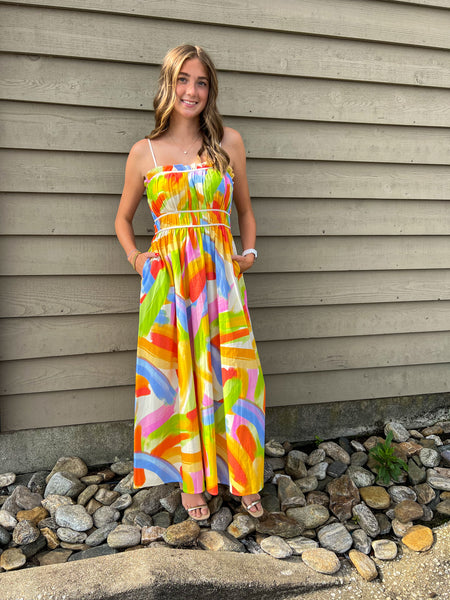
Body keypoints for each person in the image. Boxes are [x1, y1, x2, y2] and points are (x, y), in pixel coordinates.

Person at [115, 44, 265, 521]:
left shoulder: (229, 142)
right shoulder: (144, 152)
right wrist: (138, 259)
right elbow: (122, 219)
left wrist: (248, 253)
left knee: (234, 375)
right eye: (183, 79)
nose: (191, 90)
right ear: (168, 84)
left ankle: (242, 475)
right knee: (179, 379)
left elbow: (245, 211)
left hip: (221, 279)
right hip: (169, 284)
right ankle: (191, 481)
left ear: (210, 90)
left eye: (201, 82)